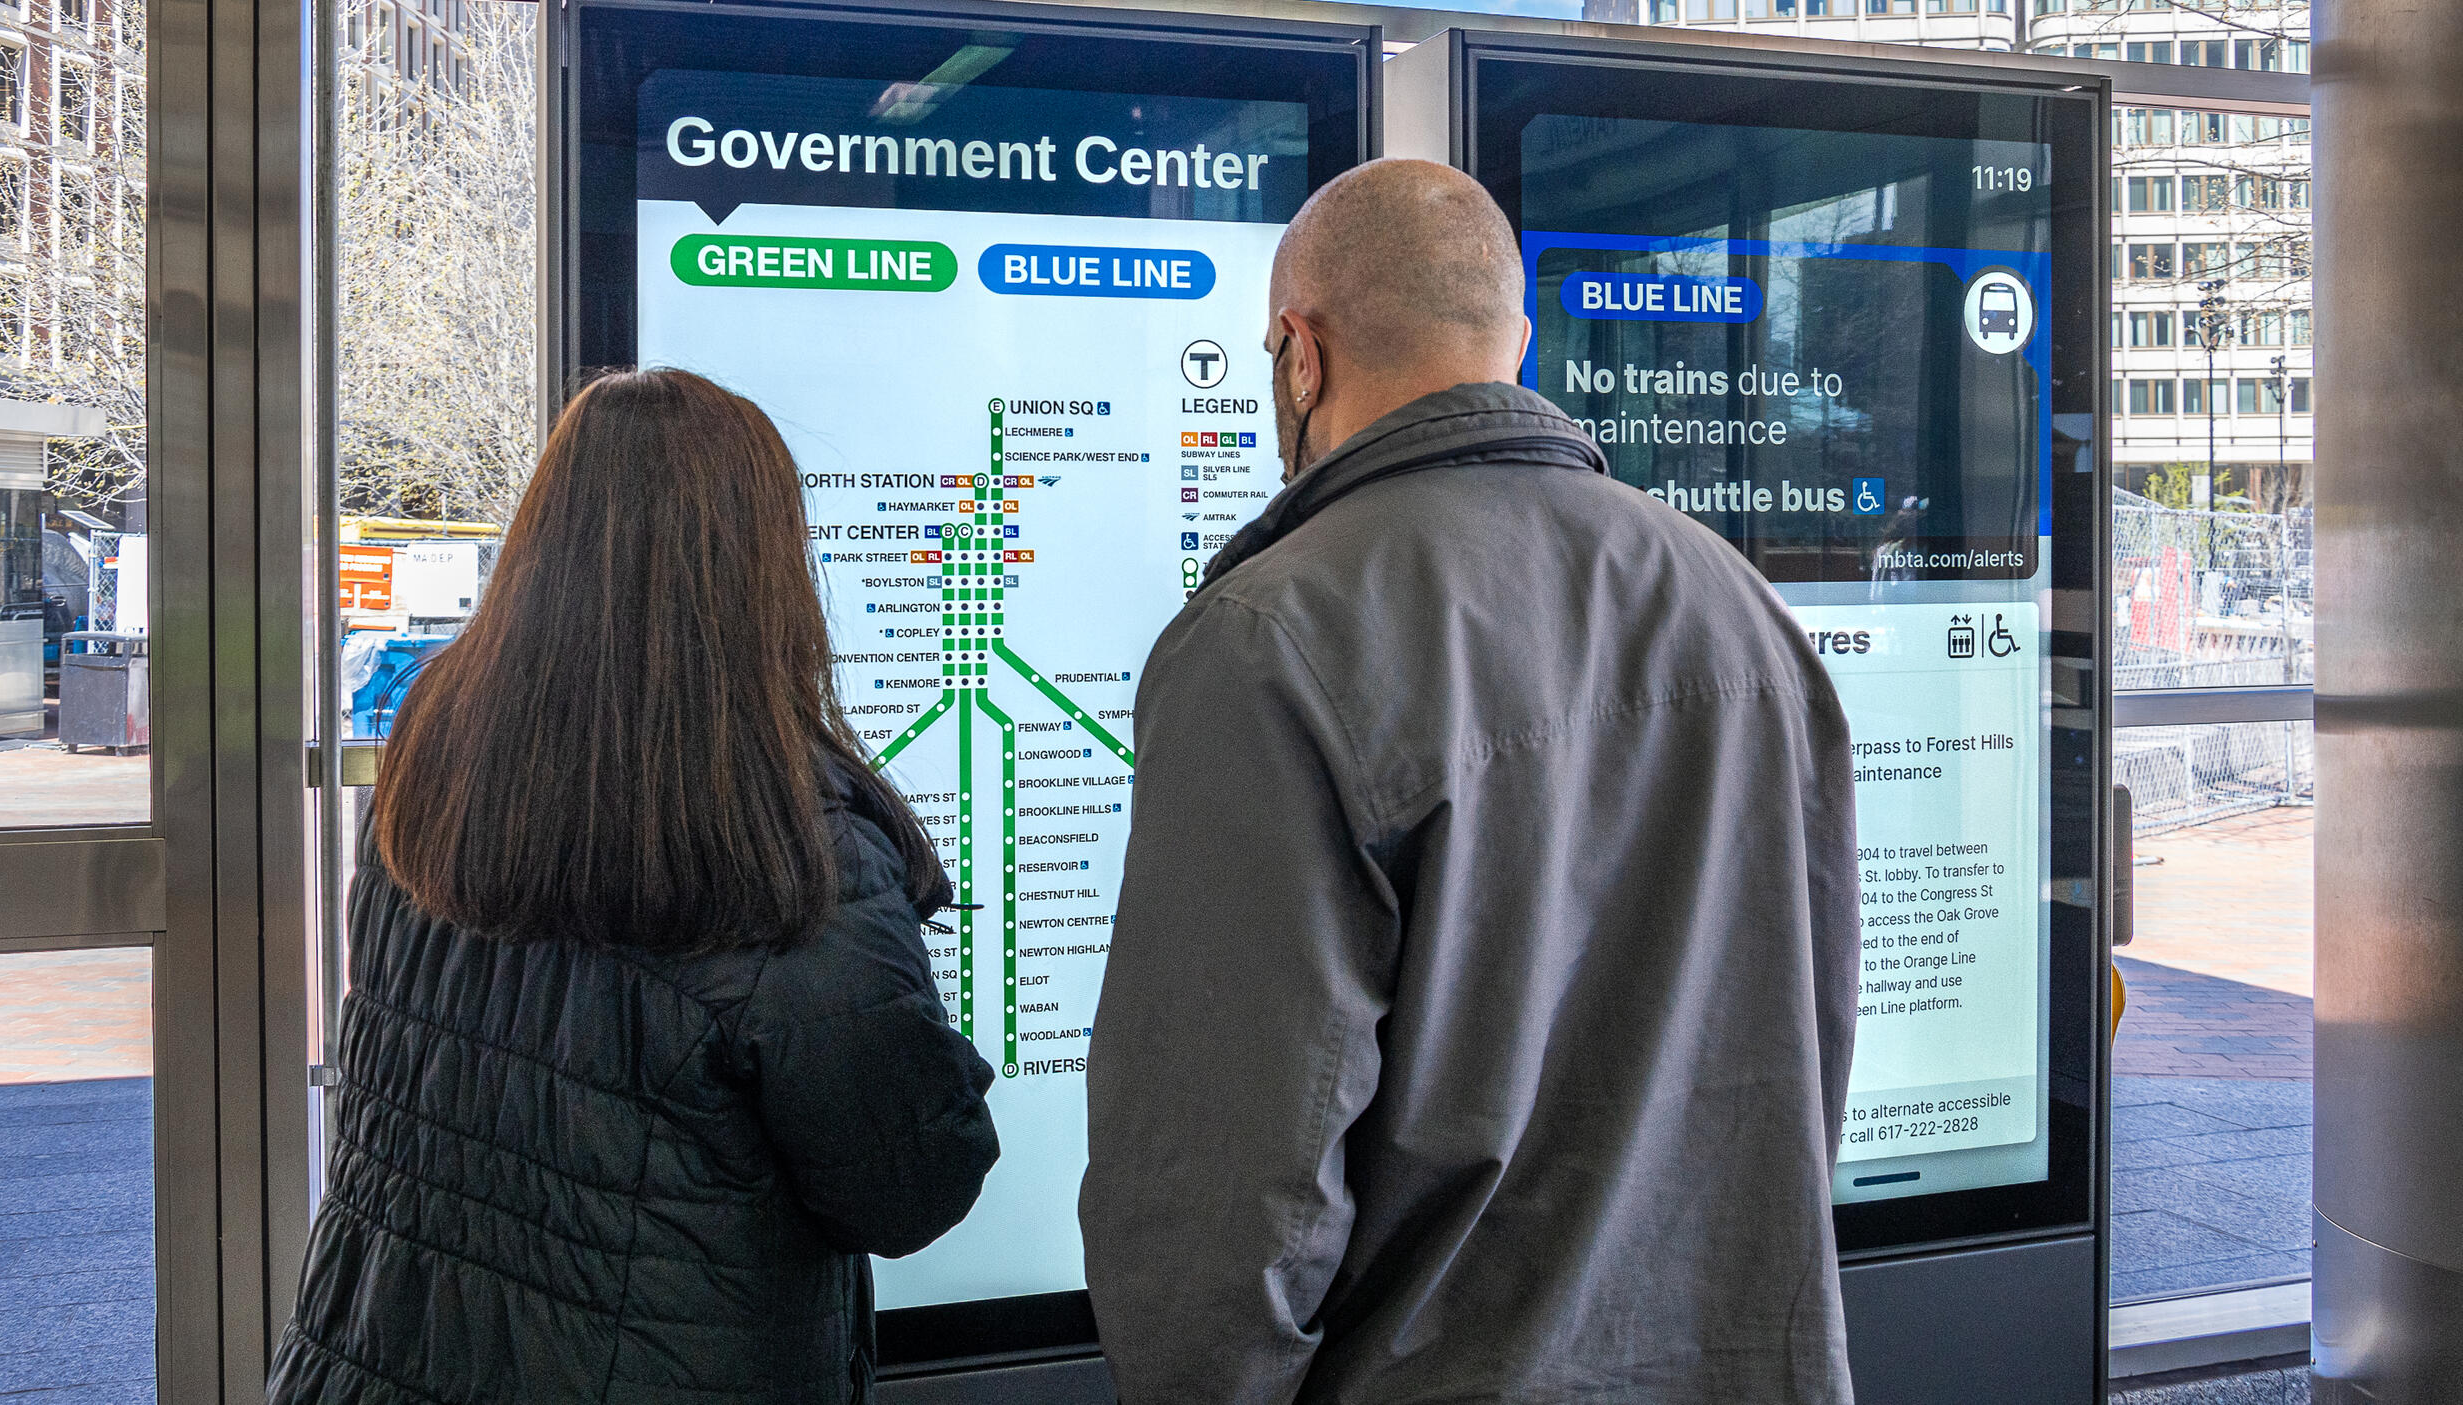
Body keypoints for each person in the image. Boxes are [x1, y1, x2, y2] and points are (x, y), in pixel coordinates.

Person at [1081, 161, 1860, 1404]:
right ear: (1519, 340)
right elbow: (1804, 1040)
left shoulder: (1271, 636)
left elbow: (1227, 1186)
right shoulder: (1737, 603)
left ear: (1297, 352)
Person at [268, 369, 999, 1405]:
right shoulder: (790, 844)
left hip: (371, 1359)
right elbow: (910, 1185)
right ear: (761, 566)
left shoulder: (443, 736)